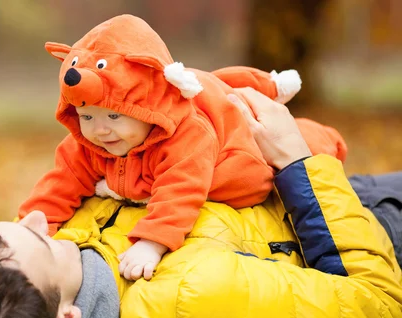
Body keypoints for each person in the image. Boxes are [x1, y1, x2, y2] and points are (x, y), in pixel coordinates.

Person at [0, 87, 402, 318]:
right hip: (371, 229)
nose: (36, 218)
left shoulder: (64, 273)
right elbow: (382, 309)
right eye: (39, 240)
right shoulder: (199, 307)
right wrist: (296, 159)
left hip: (328, 198)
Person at [18, 14, 347, 281]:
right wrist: (31, 229)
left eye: (115, 116)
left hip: (233, 155)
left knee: (276, 161)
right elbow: (60, 182)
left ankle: (325, 138)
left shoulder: (185, 135)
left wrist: (152, 242)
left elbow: (181, 188)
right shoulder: (88, 140)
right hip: (179, 147)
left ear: (147, 106)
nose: (100, 130)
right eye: (86, 116)